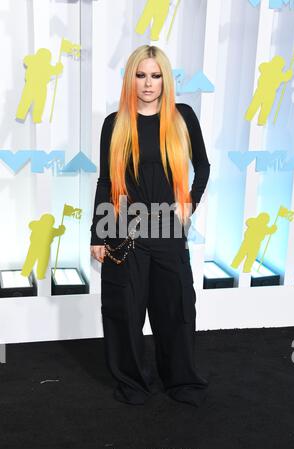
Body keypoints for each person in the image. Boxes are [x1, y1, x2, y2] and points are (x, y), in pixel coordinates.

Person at [90, 45, 210, 407]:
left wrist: (189, 202)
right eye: (141, 75)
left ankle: (180, 380)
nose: (148, 83)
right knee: (125, 309)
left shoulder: (182, 117)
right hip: (125, 229)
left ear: (165, 79)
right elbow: (104, 183)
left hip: (169, 230)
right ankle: (132, 382)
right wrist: (98, 233)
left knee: (175, 306)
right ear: (131, 78)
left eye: (156, 76)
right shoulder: (115, 123)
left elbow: (202, 166)